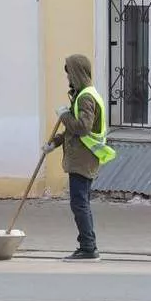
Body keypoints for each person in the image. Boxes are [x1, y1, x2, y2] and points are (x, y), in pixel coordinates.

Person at [44, 54, 116, 261]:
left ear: (77, 73)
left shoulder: (86, 97)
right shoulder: (82, 95)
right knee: (80, 202)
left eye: (69, 73)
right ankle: (87, 244)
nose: (67, 78)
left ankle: (88, 247)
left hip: (83, 159)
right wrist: (55, 143)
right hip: (82, 158)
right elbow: (71, 132)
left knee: (79, 203)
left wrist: (64, 115)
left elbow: (82, 128)